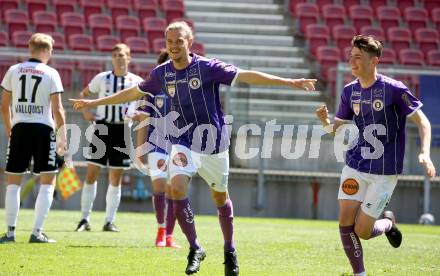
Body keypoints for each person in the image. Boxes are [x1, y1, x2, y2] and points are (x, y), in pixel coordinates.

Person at [70, 21, 316, 275]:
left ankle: (230, 249)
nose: (174, 46)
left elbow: (245, 75)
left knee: (221, 198)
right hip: (184, 140)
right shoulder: (162, 73)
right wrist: (95, 101)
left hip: (213, 143)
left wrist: (289, 82)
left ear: (190, 42)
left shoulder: (208, 67)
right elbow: (133, 92)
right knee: (175, 187)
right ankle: (195, 247)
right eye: (170, 42)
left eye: (179, 41)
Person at [315, 35, 436, 276]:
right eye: (351, 56)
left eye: (358, 57)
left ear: (375, 61)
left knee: (362, 231)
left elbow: (422, 121)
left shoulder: (394, 89)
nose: (352, 61)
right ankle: (359, 273)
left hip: (384, 172)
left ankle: (388, 222)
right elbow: (335, 129)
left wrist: (425, 153)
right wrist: (325, 122)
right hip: (355, 165)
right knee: (345, 222)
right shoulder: (350, 92)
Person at [0, 33, 67, 243]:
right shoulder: (51, 73)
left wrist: (10, 129)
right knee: (49, 181)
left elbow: (4, 106)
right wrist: (63, 138)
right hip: (43, 130)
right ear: (47, 51)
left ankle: (10, 233)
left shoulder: (13, 70)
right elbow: (58, 109)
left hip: (19, 128)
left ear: (30, 48)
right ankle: (36, 233)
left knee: (13, 181)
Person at [74, 43, 143, 233]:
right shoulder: (102, 78)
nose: (119, 58)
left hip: (122, 130)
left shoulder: (136, 81)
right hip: (101, 128)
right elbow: (84, 94)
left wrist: (138, 113)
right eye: (116, 55)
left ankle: (109, 221)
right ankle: (84, 219)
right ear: (112, 58)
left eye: (122, 55)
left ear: (129, 58)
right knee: (91, 174)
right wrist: (86, 111)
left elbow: (145, 105)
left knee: (116, 177)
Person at [132, 50, 180, 248]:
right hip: (157, 144)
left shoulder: (191, 88)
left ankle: (170, 235)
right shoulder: (152, 89)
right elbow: (144, 119)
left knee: (176, 190)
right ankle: (161, 231)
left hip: (181, 146)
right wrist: (139, 150)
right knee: (159, 186)